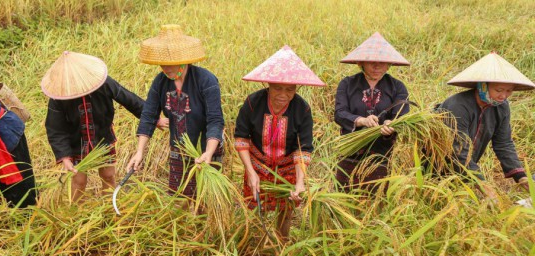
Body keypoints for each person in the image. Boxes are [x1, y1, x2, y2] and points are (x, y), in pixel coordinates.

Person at [42, 51, 166, 203]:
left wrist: (154, 119)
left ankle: (108, 208)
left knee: (108, 175)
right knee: (79, 181)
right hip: (76, 143)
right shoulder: (59, 96)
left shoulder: (102, 83)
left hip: (102, 137)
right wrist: (65, 157)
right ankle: (75, 214)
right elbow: (55, 129)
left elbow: (128, 98)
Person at [235, 45, 324, 241]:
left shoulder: (302, 109)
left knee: (285, 212)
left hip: (287, 171)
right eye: (277, 88)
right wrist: (250, 172)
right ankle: (255, 244)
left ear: (296, 88)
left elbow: (304, 148)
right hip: (257, 167)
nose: (283, 94)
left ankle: (280, 245)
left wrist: (300, 182)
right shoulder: (253, 103)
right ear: (268, 84)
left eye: (289, 89)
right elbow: (241, 138)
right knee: (256, 210)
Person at [126, 24, 224, 199]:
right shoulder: (160, 82)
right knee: (180, 199)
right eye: (163, 63)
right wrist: (139, 151)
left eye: (171, 63)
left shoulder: (206, 80)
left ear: (185, 60)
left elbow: (215, 120)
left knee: (204, 200)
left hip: (206, 148)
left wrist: (208, 152)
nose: (166, 68)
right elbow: (149, 116)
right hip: (178, 148)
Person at [439, 52, 534, 190]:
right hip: (437, 166)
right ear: (482, 86)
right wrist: (482, 184)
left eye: (509, 91)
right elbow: (458, 149)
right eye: (499, 90)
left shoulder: (501, 107)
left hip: (466, 170)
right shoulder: (458, 106)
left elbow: (503, 143)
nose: (503, 96)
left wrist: (520, 176)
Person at [334, 32, 412, 192]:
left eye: (382, 62)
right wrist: (361, 120)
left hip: (382, 155)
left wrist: (391, 125)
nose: (377, 66)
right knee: (346, 199)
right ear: (361, 62)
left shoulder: (397, 87)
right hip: (351, 153)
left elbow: (402, 116)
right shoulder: (347, 84)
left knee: (377, 201)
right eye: (371, 62)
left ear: (389, 64)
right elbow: (340, 113)